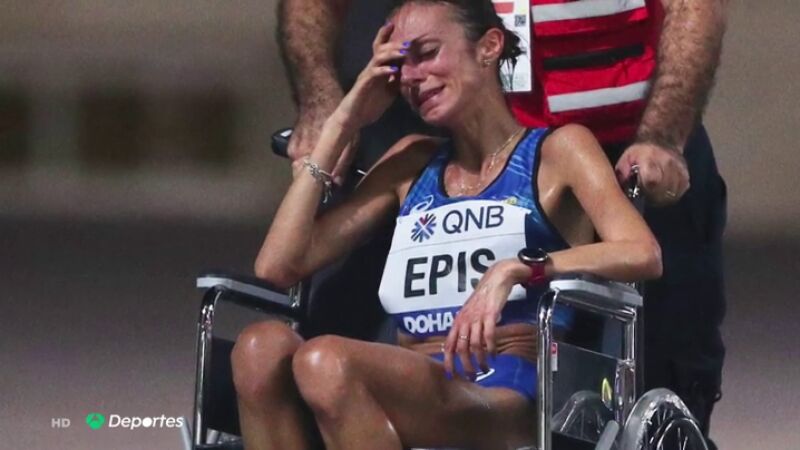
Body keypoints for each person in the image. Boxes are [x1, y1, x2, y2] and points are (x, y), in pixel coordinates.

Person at [277, 0, 728, 445]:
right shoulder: (412, 160)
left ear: (490, 46)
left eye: (427, 54)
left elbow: (642, 252)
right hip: (427, 367)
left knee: (664, 352)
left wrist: (663, 135)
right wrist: (338, 116)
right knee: (273, 353)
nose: (411, 76)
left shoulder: (561, 151)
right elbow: (280, 264)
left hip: (619, 135)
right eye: (401, 64)